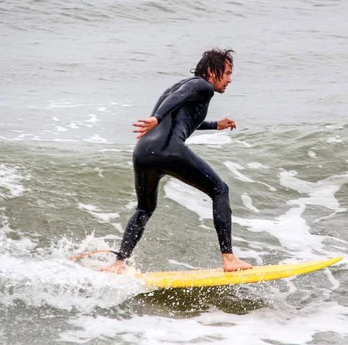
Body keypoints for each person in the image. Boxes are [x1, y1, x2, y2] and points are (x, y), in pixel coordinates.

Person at [102, 49, 252, 274]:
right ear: (212, 71)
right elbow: (175, 103)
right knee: (220, 190)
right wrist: (157, 118)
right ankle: (229, 259)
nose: (230, 79)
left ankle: (118, 263)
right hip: (168, 150)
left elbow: (182, 118)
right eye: (228, 73)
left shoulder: (181, 85)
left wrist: (214, 125)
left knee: (144, 208)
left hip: (143, 152)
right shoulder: (202, 85)